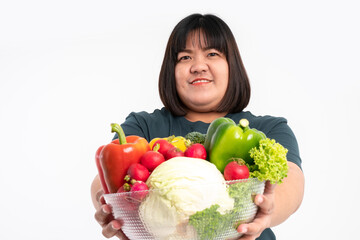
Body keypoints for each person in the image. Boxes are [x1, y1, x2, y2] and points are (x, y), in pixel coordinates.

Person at [91, 13, 304, 240]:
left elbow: (292, 183)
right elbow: (104, 181)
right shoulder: (143, 126)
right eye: (184, 57)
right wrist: (108, 207)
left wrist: (268, 210)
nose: (198, 66)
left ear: (232, 65)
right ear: (170, 70)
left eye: (212, 54)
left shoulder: (267, 129)